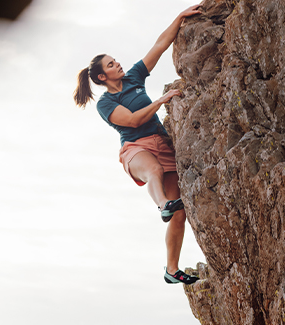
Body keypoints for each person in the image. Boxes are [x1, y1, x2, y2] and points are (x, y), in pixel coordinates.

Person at [73, 4, 202, 285]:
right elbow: (131, 121)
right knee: (154, 172)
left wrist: (179, 18)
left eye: (115, 60)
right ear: (101, 78)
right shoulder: (106, 103)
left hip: (161, 142)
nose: (117, 63)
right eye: (110, 64)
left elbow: (159, 46)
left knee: (180, 215)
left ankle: (171, 269)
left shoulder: (134, 77)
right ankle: (162, 206)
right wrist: (158, 102)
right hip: (135, 149)